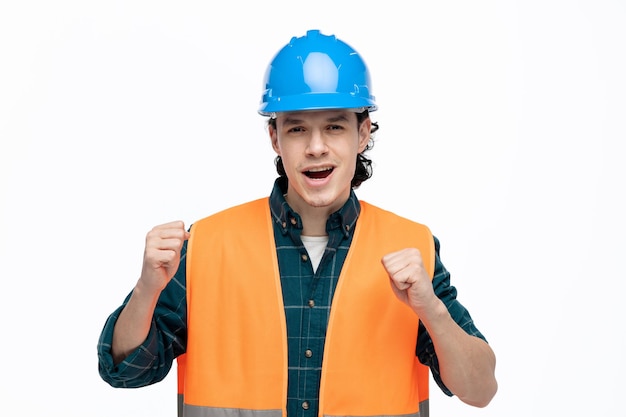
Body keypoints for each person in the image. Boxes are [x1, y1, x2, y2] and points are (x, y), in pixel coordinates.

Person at [97, 29, 497, 417]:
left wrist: (431, 310)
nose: (316, 146)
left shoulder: (412, 248)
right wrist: (148, 288)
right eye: (297, 129)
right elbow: (126, 371)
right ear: (275, 138)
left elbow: (479, 390)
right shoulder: (205, 246)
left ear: (363, 134)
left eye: (335, 127)